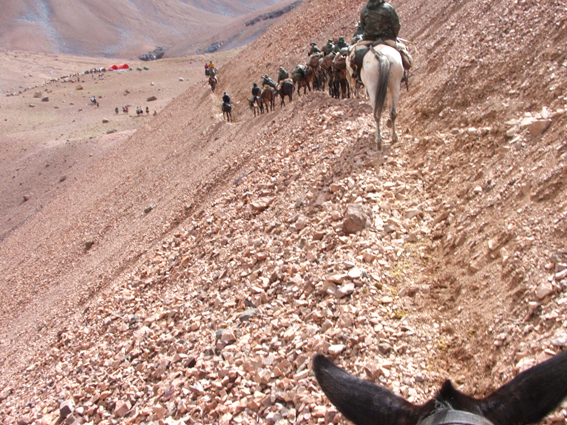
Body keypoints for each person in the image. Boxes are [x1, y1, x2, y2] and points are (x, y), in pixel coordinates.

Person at [359, 0, 412, 74]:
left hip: (369, 39)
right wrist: (393, 36)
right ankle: (404, 73)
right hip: (386, 38)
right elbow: (396, 25)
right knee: (403, 50)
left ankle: (356, 74)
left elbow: (362, 27)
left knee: (354, 54)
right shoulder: (388, 8)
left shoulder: (364, 10)